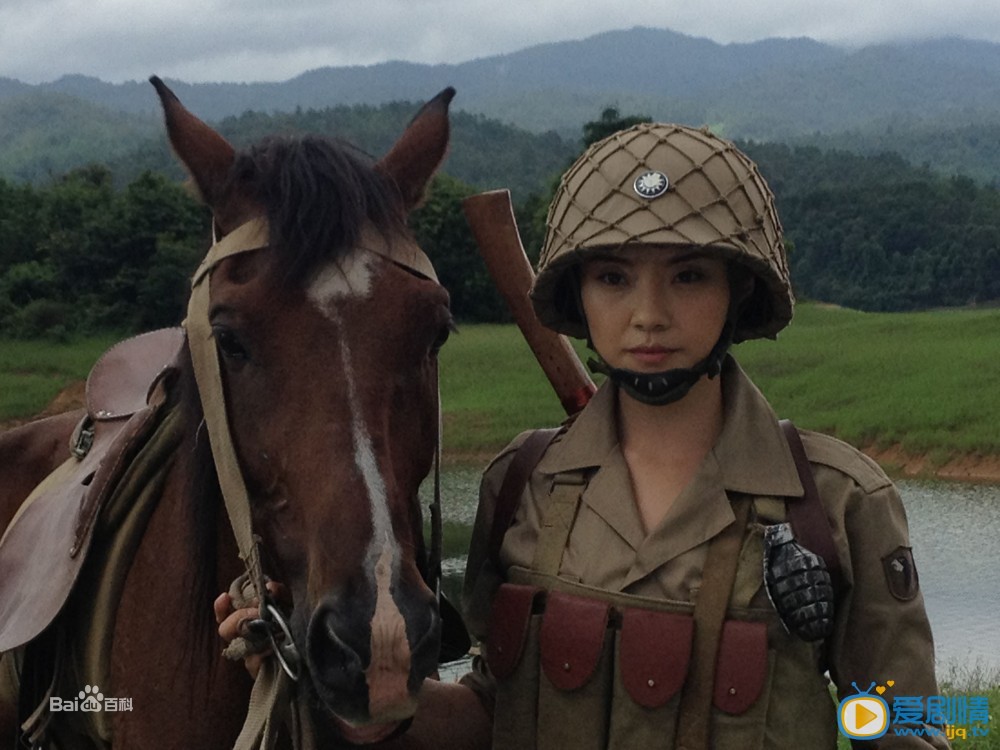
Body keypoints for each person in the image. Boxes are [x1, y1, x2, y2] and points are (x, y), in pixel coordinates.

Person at [219, 123, 948, 749]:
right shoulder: (522, 485)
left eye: (689, 276)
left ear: (740, 292)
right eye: (613, 277)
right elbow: (487, 712)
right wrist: (330, 679)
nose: (649, 314)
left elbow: (909, 723)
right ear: (578, 295)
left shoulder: (836, 504)